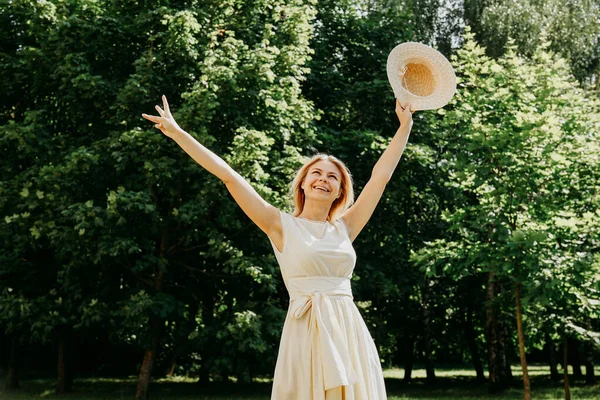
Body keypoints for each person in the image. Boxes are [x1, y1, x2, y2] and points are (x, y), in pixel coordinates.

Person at [142, 95, 414, 400]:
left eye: (332, 177)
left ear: (340, 191)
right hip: (306, 330)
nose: (323, 179)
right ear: (303, 183)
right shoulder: (279, 225)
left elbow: (381, 178)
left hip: (347, 330)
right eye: (317, 173)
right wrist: (178, 133)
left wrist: (405, 126)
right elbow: (229, 176)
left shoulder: (345, 227)